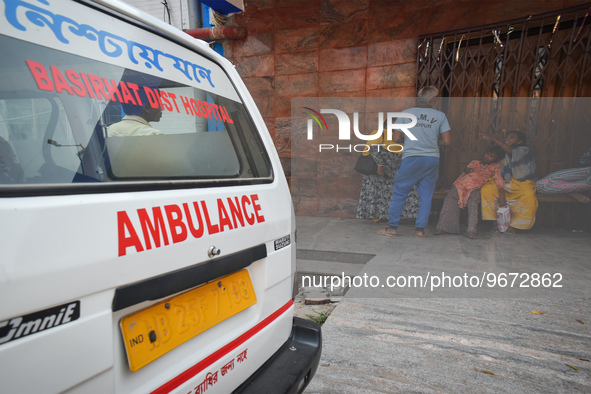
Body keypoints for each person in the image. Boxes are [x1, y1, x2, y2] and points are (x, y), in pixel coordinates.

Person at [378, 86, 452, 238]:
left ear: (419, 98)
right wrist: (432, 141)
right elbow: (447, 141)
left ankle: (392, 228)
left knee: (399, 193)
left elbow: (396, 138)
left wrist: (412, 141)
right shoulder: (440, 115)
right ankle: (419, 230)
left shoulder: (407, 113)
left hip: (411, 158)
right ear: (434, 100)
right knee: (426, 196)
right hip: (431, 159)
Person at [435, 145, 506, 239]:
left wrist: (502, 194)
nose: (487, 157)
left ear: (497, 158)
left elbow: (498, 179)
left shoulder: (496, 166)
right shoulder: (475, 162)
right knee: (449, 199)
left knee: (472, 204)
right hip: (461, 185)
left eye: (491, 156)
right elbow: (465, 172)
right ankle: (443, 227)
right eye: (487, 154)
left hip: (476, 187)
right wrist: (466, 170)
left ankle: (471, 230)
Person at [479, 130, 538, 233]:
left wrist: (493, 139)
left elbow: (511, 151)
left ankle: (515, 225)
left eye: (511, 137)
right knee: (487, 190)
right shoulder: (502, 151)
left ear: (519, 141)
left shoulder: (524, 150)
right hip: (503, 180)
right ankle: (495, 221)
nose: (507, 139)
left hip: (521, 182)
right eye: (506, 137)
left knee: (528, 195)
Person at [356, 130, 420, 221]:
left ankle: (389, 217)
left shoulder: (403, 135)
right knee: (378, 193)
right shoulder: (379, 133)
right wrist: (380, 165)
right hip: (378, 170)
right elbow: (373, 149)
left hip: (393, 170)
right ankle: (378, 217)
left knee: (388, 194)